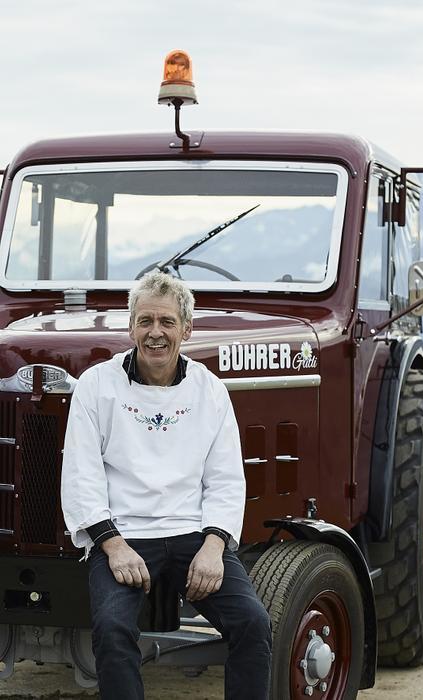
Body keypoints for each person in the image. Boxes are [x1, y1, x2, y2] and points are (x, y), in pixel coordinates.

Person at [61, 270, 271, 700]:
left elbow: (227, 478)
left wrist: (214, 547)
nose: (155, 333)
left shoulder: (210, 390)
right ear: (131, 326)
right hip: (124, 536)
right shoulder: (96, 386)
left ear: (187, 329)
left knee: (253, 622)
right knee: (113, 629)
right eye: (146, 321)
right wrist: (113, 546)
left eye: (167, 322)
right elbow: (81, 474)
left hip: (193, 534)